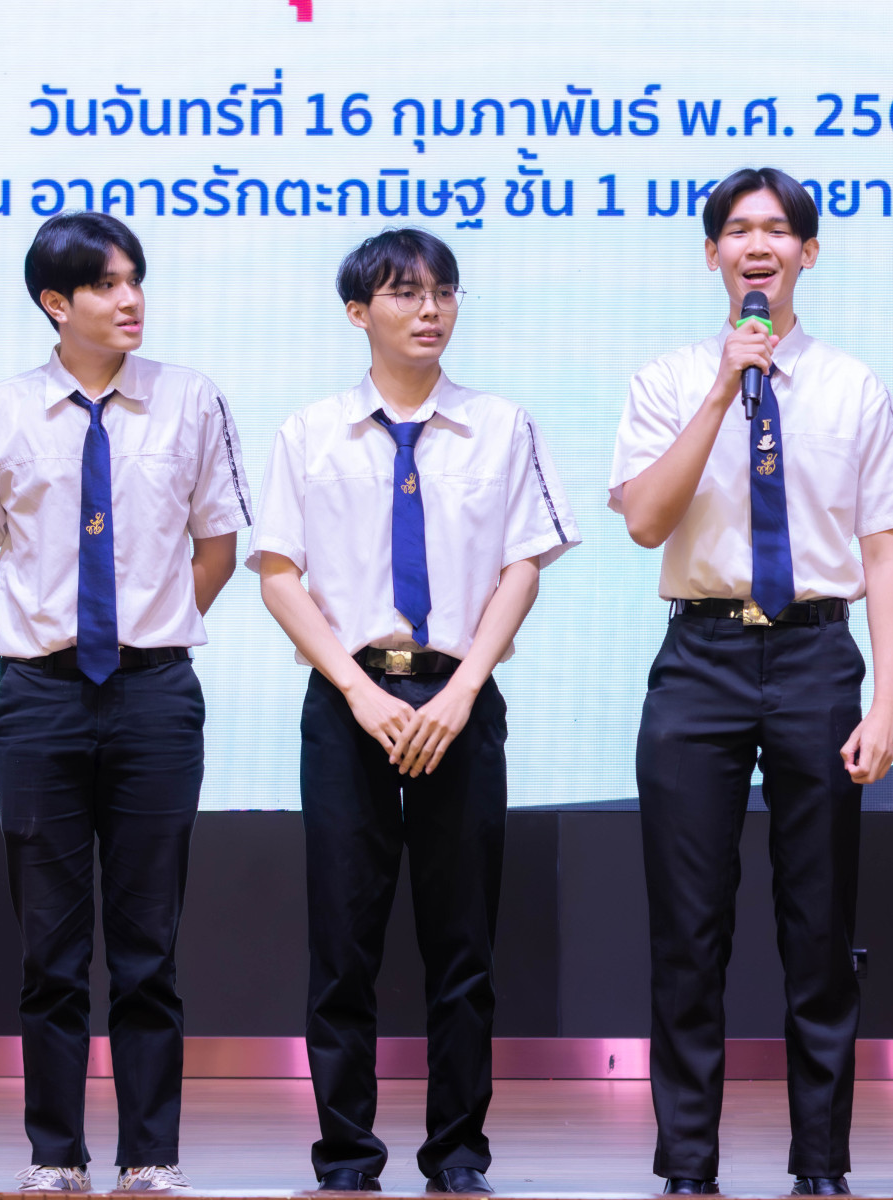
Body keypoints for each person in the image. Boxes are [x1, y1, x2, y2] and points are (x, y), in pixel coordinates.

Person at [608, 167, 893, 1196]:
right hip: (699, 657)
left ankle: (821, 1165)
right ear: (712, 255)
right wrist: (720, 390)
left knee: (819, 927)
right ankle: (687, 1166)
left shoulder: (853, 386)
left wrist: (888, 700)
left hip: (816, 656)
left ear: (808, 253)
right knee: (688, 929)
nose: (758, 246)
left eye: (778, 231)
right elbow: (645, 521)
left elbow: (883, 551)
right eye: (739, 231)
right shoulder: (668, 380)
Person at [250, 227, 579, 1194]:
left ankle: (459, 1153)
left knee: (463, 945)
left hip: (459, 697)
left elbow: (524, 564)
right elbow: (278, 575)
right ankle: (347, 1156)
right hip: (347, 698)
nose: (429, 309)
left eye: (443, 291)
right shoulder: (310, 433)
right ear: (358, 312)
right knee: (342, 946)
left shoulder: (502, 425)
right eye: (403, 293)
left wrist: (464, 687)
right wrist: (357, 692)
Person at [0, 211, 251, 1192]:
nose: (130, 299)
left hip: (156, 697)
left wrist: (147, 628)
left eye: (135, 279)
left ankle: (150, 1155)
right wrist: (48, 630)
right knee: (53, 948)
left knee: (150, 946)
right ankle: (55, 1155)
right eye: (107, 284)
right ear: (54, 302)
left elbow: (217, 547)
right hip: (40, 699)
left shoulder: (192, 399)